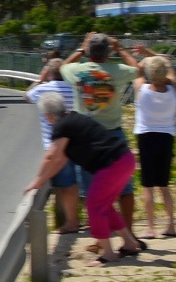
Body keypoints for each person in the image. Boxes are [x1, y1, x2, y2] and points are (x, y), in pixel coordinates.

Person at [24, 93, 145, 267]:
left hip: (111, 165)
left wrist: (37, 180)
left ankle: (108, 254)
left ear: (48, 116)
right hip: (124, 159)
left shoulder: (62, 126)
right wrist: (45, 177)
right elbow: (61, 158)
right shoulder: (72, 118)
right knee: (105, 206)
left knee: (94, 206)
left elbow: (52, 156)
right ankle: (129, 243)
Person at [60, 32, 141, 231]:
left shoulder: (76, 71)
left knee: (92, 192)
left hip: (86, 139)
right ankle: (128, 233)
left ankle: (100, 236)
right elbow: (138, 69)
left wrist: (81, 47)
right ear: (108, 52)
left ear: (88, 51)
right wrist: (120, 48)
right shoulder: (118, 71)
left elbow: (62, 66)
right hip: (113, 134)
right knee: (124, 189)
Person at [25, 58, 80, 233]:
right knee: (75, 184)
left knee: (64, 187)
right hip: (76, 143)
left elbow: (27, 96)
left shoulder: (42, 89)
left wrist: (40, 79)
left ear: (49, 72)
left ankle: (69, 222)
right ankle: (74, 219)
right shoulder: (74, 89)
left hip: (55, 146)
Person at [131, 48, 176, 239]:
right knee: (164, 185)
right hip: (167, 136)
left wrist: (142, 59)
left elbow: (136, 70)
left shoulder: (142, 90)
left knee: (148, 185)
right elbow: (167, 62)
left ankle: (150, 227)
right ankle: (171, 224)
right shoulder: (173, 89)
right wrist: (151, 53)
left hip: (146, 136)